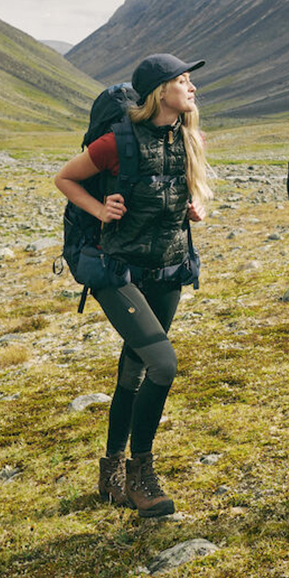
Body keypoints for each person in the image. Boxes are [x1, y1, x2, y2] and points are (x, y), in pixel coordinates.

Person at [54, 53, 212, 517]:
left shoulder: (191, 137)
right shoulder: (115, 142)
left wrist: (196, 206)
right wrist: (100, 210)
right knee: (162, 363)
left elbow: (192, 188)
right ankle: (142, 474)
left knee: (136, 368)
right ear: (159, 92)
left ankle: (112, 472)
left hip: (168, 267)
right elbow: (65, 178)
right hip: (117, 270)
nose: (192, 88)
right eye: (183, 81)